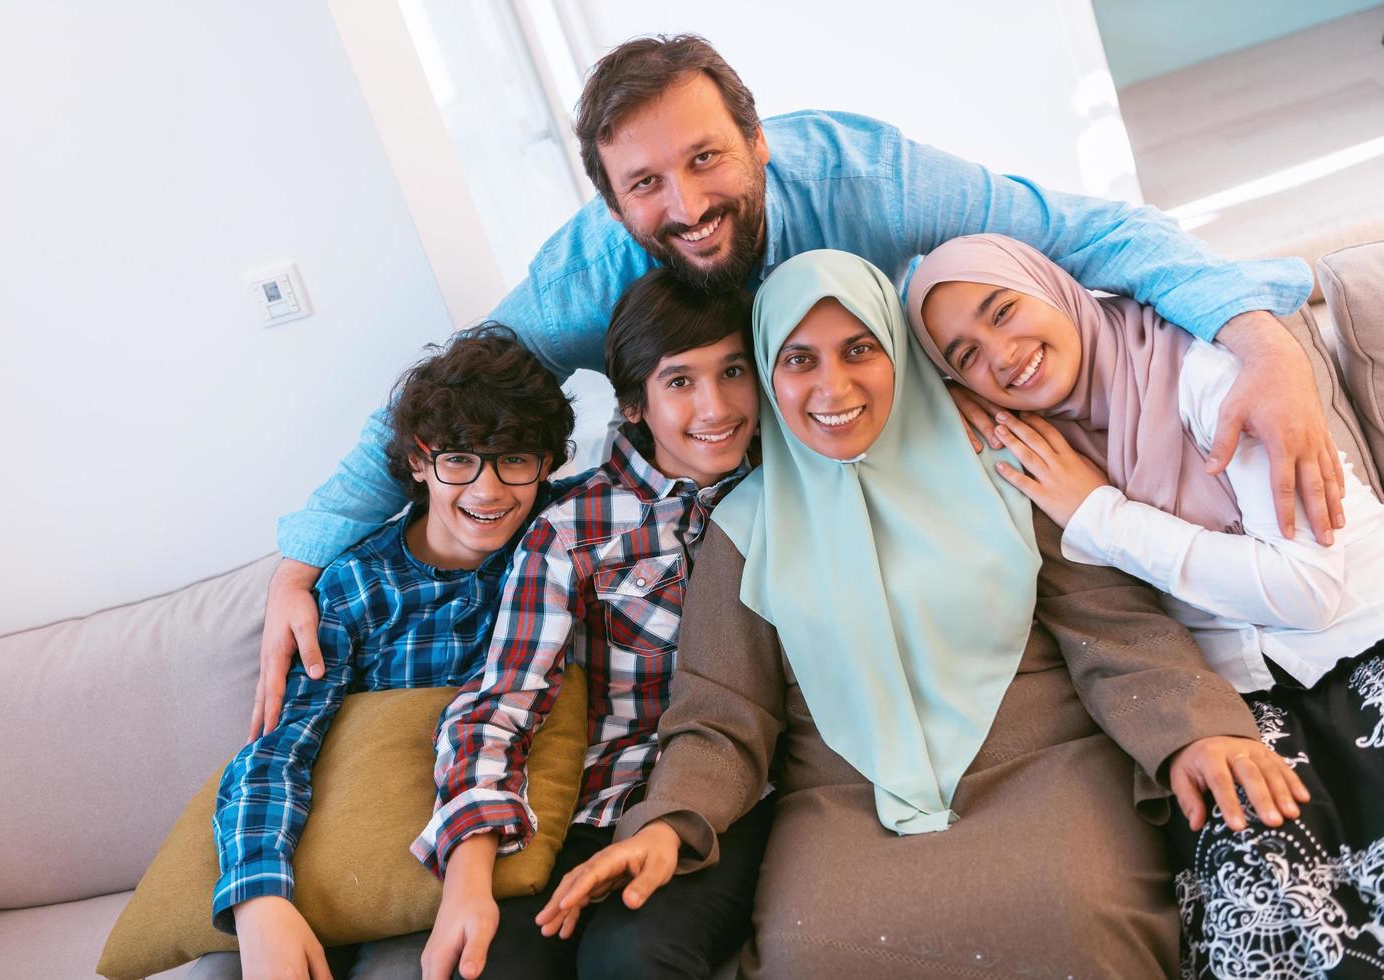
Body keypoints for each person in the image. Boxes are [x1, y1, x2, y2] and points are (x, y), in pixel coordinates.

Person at [253, 35, 1344, 736]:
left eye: (705, 160)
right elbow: (459, 391)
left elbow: (1080, 228)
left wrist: (1261, 340)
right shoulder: (586, 273)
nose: (684, 203)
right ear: (610, 203)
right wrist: (302, 556)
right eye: (644, 185)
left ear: (758, 142)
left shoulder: (865, 177)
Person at [533, 250, 1306, 978]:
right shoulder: (743, 528)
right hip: (843, 802)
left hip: (1043, 767)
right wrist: (670, 821)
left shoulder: (1007, 464)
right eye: (799, 360)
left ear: (900, 353)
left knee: (1072, 919)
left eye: (859, 350)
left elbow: (1113, 627)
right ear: (770, 376)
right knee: (813, 955)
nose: (832, 387)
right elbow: (721, 716)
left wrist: (1196, 730)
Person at [905, 233, 1384, 978]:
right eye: (964, 356)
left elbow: (1308, 595)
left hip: (1365, 639)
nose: (1001, 355)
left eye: (1004, 311)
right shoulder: (1040, 451)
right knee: (1260, 891)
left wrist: (1099, 515)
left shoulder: (1201, 370)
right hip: (1245, 698)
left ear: (1056, 287)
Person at [409, 269, 773, 980]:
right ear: (634, 404)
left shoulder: (790, 493)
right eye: (680, 382)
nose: (717, 405)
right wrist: (467, 876)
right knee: (492, 965)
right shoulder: (571, 529)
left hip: (725, 799)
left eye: (733, 371)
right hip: (587, 804)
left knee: (632, 958)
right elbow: (501, 703)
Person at [199, 327, 575, 980]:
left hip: (454, 857)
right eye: (460, 459)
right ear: (421, 460)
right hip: (336, 846)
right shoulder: (355, 584)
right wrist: (261, 899)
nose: (487, 491)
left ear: (546, 462)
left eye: (514, 459)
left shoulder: (557, 545)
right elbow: (279, 746)